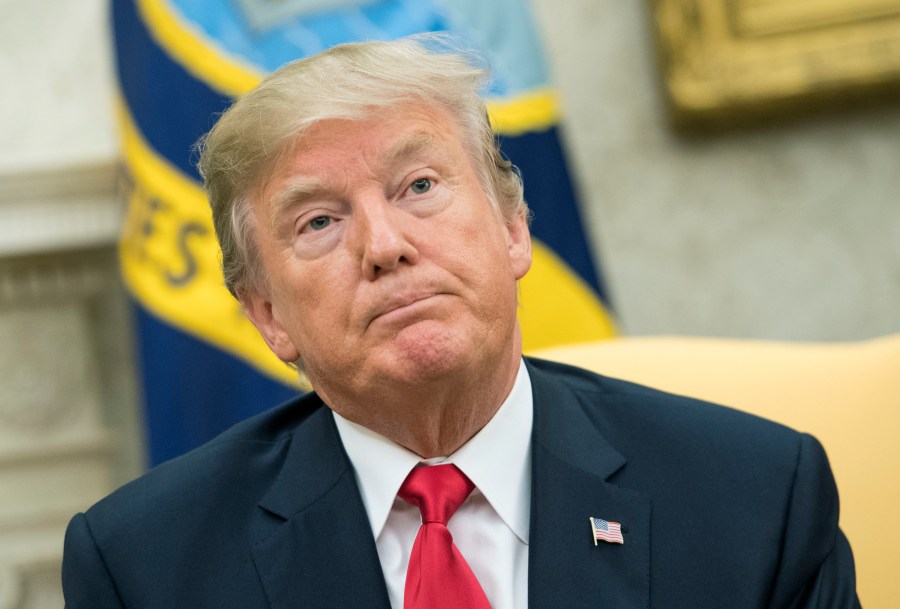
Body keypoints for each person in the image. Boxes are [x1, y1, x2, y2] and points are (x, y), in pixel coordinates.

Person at [62, 36, 860, 609]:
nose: (384, 246)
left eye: (417, 185)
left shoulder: (754, 500)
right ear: (269, 315)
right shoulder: (146, 567)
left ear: (515, 227)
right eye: (318, 223)